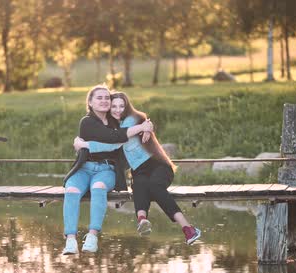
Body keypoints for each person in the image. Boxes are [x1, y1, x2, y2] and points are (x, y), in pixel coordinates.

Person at [73, 91, 201, 245]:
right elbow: (110, 139)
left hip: (158, 165)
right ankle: (142, 220)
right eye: (114, 106)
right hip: (138, 169)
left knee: (154, 186)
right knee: (138, 185)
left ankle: (188, 228)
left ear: (127, 106)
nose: (118, 110)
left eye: (122, 106)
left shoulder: (131, 120)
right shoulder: (115, 126)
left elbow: (115, 142)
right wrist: (146, 126)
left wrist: (84, 145)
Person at [62, 85, 154, 255]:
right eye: (99, 97)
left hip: (106, 170)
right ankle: (70, 239)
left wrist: (147, 125)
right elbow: (113, 138)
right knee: (72, 190)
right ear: (90, 102)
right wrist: (139, 129)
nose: (104, 100)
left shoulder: (116, 121)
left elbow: (136, 120)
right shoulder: (87, 122)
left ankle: (92, 236)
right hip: (83, 169)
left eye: (107, 97)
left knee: (98, 188)